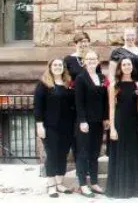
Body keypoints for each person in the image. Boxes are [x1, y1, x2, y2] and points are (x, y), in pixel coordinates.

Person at [34, 58, 76, 198]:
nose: (58, 67)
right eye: (55, 65)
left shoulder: (68, 83)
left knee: (62, 154)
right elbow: (38, 107)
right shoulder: (43, 84)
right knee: (52, 154)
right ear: (50, 67)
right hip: (50, 126)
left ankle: (59, 183)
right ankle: (51, 185)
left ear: (63, 68)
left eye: (60, 65)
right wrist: (39, 125)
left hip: (67, 126)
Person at [106, 58, 138, 198]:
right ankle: (119, 188)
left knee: (133, 153)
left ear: (132, 67)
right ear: (120, 67)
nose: (126, 66)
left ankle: (135, 188)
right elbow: (111, 108)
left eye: (129, 64)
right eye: (124, 64)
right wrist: (112, 128)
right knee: (120, 153)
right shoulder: (114, 86)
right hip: (119, 122)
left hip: (134, 122)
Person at [74, 50, 109, 197]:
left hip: (98, 122)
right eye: (88, 59)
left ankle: (94, 183)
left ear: (98, 61)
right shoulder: (80, 78)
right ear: (84, 61)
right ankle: (83, 184)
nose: (91, 61)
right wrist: (82, 120)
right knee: (83, 153)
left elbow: (105, 100)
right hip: (85, 122)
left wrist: (106, 118)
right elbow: (78, 102)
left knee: (95, 153)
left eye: (94, 59)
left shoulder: (102, 77)